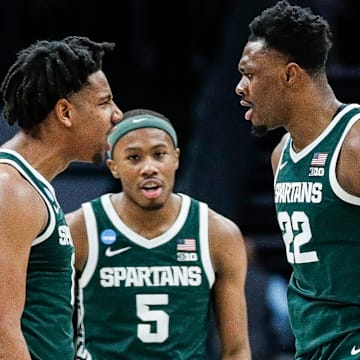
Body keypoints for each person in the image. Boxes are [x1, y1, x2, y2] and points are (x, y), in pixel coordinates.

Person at [66, 108, 252, 359]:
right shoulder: (80, 229)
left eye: (159, 154)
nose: (149, 168)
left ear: (175, 158)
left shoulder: (217, 234)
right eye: (134, 158)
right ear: (114, 167)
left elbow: (236, 349)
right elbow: (49, 329)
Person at [235, 1, 360, 359]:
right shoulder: (281, 155)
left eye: (250, 73)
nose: (240, 87)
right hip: (314, 343)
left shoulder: (353, 144)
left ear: (290, 75)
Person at [0, 36, 123, 359]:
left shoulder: (29, 186)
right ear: (65, 112)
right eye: (105, 102)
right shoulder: (9, 190)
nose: (117, 114)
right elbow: (2, 334)